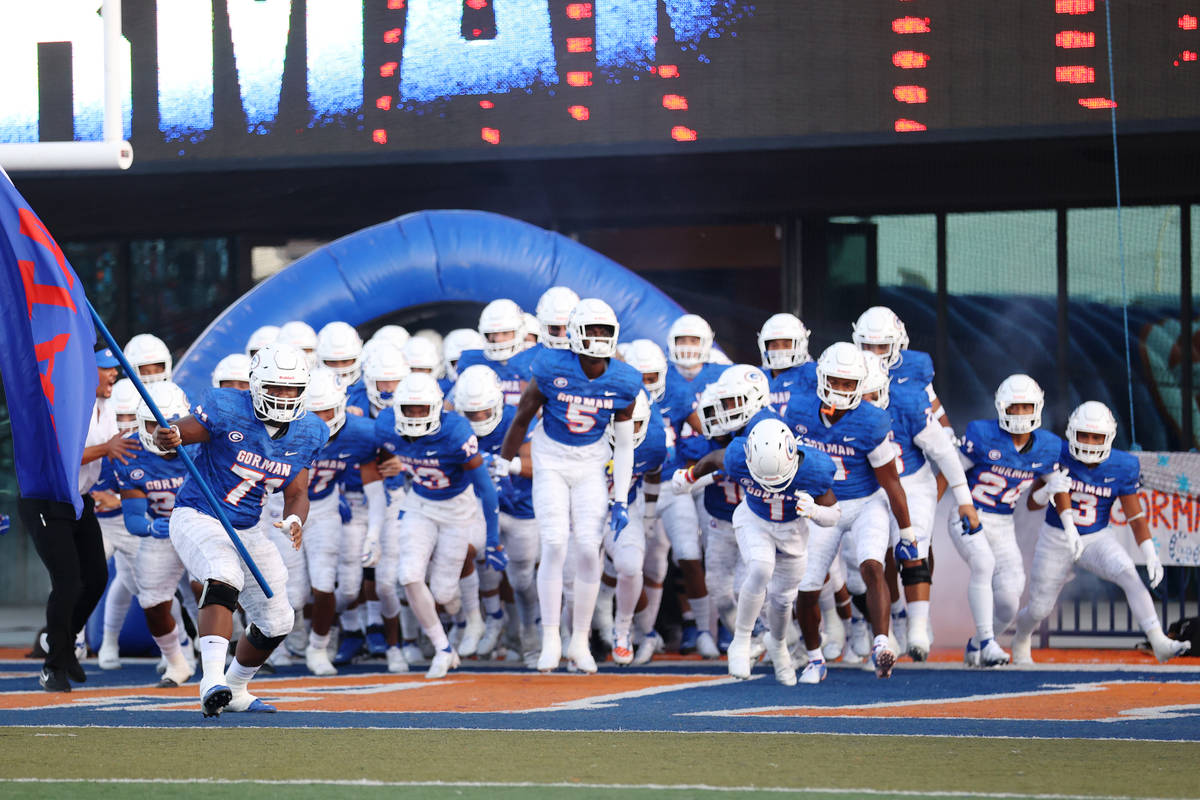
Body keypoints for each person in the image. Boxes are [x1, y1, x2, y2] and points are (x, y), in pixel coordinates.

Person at [155, 342, 327, 716]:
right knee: (223, 574)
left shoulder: (310, 431)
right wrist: (166, 437)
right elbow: (176, 439)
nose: (284, 397)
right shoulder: (226, 407)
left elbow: (297, 491)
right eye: (276, 388)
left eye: (291, 389)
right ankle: (211, 678)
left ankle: (234, 689)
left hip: (247, 529)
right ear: (256, 385)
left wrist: (296, 519)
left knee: (279, 619)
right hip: (199, 513)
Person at [501, 298, 641, 672]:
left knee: (586, 547)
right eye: (591, 330)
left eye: (604, 331)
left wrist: (622, 498)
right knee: (554, 542)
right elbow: (522, 416)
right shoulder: (550, 365)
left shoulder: (625, 379)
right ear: (575, 333)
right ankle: (551, 637)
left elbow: (624, 445)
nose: (598, 337)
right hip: (550, 460)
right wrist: (504, 460)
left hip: (591, 462)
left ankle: (580, 640)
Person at [1011, 401, 1191, 664]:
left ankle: (1158, 641)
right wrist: (1048, 489)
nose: (1090, 442)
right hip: (1056, 537)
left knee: (1129, 574)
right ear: (1072, 432)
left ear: (1109, 437)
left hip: (1096, 537)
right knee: (1040, 608)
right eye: (1084, 435)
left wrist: (1150, 552)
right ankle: (1022, 636)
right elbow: (1031, 503)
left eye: (1097, 436)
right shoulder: (1057, 453)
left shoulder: (1122, 465)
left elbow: (1136, 517)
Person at [786, 343, 914, 679]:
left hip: (864, 503)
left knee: (873, 565)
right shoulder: (799, 411)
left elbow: (891, 482)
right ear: (821, 378)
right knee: (807, 585)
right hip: (821, 507)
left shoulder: (870, 421)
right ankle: (815, 658)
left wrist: (907, 530)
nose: (841, 390)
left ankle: (881, 643)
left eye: (848, 383)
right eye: (835, 381)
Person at [679, 418, 838, 685]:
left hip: (791, 532)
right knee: (760, 567)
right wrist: (688, 477)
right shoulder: (737, 456)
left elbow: (834, 515)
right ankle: (740, 641)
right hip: (754, 519)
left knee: (783, 600)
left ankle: (777, 645)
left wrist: (816, 511)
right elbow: (713, 459)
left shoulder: (814, 468)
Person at [374, 373, 506, 679]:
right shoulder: (385, 425)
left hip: (457, 509)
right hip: (418, 503)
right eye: (410, 408)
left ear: (437, 407)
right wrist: (396, 475)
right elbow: (381, 456)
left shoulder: (456, 430)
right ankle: (443, 649)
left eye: (423, 408)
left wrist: (494, 538)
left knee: (445, 594)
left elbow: (485, 487)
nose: (417, 414)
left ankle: (462, 620)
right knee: (408, 574)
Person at [21, 348, 134, 692]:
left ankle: (66, 644)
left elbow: (117, 450)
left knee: (96, 577)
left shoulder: (107, 407)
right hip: (46, 500)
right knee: (68, 582)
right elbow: (59, 458)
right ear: (87, 372)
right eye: (106, 369)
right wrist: (107, 451)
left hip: (79, 500)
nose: (113, 374)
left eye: (115, 368)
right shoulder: (66, 405)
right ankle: (53, 665)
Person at [858, 353, 978, 660]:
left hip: (911, 481)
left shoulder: (908, 400)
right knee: (868, 559)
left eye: (873, 395)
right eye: (861, 396)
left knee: (914, 548)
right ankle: (894, 615)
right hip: (868, 487)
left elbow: (945, 453)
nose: (868, 402)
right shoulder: (843, 407)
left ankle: (917, 627)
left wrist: (964, 500)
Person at [954, 374, 1063, 667]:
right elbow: (952, 473)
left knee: (1009, 601)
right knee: (983, 564)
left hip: (1003, 524)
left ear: (1037, 408)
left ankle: (977, 643)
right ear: (1002, 408)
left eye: (1026, 407)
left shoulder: (1048, 446)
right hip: (967, 513)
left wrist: (1068, 521)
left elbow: (1054, 486)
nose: (1020, 414)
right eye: (1014, 407)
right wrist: (953, 508)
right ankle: (989, 643)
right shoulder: (982, 433)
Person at [299, 369, 388, 675]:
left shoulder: (361, 432)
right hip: (280, 511)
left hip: (323, 508)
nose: (322, 418)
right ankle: (277, 644)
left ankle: (318, 647)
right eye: (314, 411)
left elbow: (376, 489)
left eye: (327, 410)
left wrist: (374, 535)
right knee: (294, 595)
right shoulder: (281, 428)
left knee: (325, 582)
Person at [114, 381, 196, 688]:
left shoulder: (201, 444)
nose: (161, 430)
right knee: (151, 599)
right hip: (161, 527)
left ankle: (219, 654)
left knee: (209, 588)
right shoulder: (132, 452)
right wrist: (151, 527)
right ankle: (177, 662)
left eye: (170, 422)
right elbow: (133, 517)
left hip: (201, 525)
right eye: (152, 423)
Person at [454, 364, 538, 661]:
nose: (477, 420)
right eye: (471, 414)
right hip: (479, 505)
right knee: (470, 553)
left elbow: (534, 466)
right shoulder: (453, 422)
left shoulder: (517, 418)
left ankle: (529, 634)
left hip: (519, 508)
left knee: (522, 578)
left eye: (483, 413)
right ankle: (490, 619)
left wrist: (507, 464)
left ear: (498, 404)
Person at [660, 314, 726, 658]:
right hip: (677, 474)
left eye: (692, 340)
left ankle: (723, 622)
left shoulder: (722, 375)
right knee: (686, 551)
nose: (687, 348)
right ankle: (696, 624)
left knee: (718, 553)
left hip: (713, 474)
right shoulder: (660, 375)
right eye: (681, 340)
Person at [602, 390, 667, 664]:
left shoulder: (652, 443)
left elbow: (653, 472)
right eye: (618, 421)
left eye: (634, 423)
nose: (626, 429)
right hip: (581, 511)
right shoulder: (589, 438)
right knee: (571, 574)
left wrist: (650, 515)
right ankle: (572, 638)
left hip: (623, 509)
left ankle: (622, 632)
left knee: (630, 566)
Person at [94, 378, 143, 670]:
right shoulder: (95, 435)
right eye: (119, 417)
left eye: (131, 417)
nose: (125, 424)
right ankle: (73, 642)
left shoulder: (150, 441)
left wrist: (119, 500)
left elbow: (157, 491)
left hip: (134, 523)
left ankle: (181, 650)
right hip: (99, 524)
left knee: (151, 588)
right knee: (78, 580)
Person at [455, 299, 533, 405]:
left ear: (520, 331)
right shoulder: (473, 361)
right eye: (493, 333)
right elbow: (453, 405)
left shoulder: (535, 360)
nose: (498, 339)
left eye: (505, 333)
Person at [758, 312, 815, 413]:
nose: (780, 350)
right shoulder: (757, 376)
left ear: (801, 344)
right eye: (774, 345)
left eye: (786, 344)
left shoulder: (813, 375)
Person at [535, 286, 581, 350]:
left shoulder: (589, 359)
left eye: (568, 328)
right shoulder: (529, 358)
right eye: (554, 328)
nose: (562, 336)